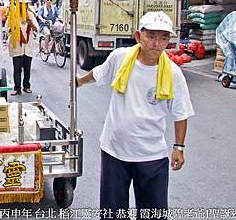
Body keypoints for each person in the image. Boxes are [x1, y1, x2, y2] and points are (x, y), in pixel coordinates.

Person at [76, 11, 194, 219]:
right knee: (113, 214)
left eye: (163, 38)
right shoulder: (120, 58)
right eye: (151, 36)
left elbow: (180, 112)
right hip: (115, 151)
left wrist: (179, 147)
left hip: (152, 155)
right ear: (139, 36)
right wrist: (79, 81)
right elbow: (100, 73)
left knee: (153, 215)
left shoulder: (173, 73)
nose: (157, 44)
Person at [6, 0, 39, 96]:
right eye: (21, 4)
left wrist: (31, 24)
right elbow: (7, 29)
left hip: (27, 46)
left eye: (25, 4)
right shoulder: (12, 15)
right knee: (17, 69)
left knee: (27, 68)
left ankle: (26, 86)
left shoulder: (31, 15)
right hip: (16, 46)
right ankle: (17, 88)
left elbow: (37, 29)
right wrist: (13, 28)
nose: (23, 6)